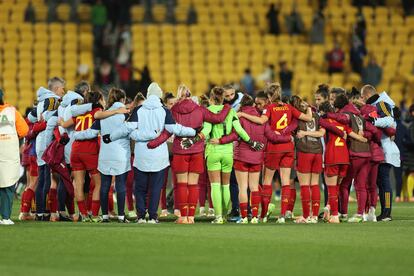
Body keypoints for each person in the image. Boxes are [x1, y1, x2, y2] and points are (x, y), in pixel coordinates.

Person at [107, 82, 196, 224]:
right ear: (160, 95)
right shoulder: (165, 111)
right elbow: (175, 129)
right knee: (156, 188)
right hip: (159, 156)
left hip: (141, 155)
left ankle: (141, 216)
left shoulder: (139, 110)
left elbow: (127, 128)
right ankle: (153, 216)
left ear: (148, 95)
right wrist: (193, 131)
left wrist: (111, 136)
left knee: (140, 188)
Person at [147, 85, 231, 223]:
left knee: (181, 185)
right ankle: (191, 216)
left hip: (180, 151)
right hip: (197, 151)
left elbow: (167, 132)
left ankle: (183, 216)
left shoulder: (173, 110)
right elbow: (218, 118)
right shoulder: (200, 109)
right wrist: (227, 107)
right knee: (193, 185)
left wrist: (152, 144)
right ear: (190, 95)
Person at [181, 87, 263, 224]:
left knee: (215, 185)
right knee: (226, 186)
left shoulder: (207, 111)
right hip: (227, 152)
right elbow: (239, 130)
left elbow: (206, 130)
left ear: (211, 98)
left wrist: (193, 140)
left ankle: (218, 217)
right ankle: (225, 215)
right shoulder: (231, 111)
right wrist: (251, 142)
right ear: (223, 98)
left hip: (213, 151)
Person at [237, 83, 313, 223]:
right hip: (288, 147)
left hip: (274, 147)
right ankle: (282, 216)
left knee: (267, 181)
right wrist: (308, 108)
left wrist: (243, 114)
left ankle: (263, 214)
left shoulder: (269, 108)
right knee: (285, 182)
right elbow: (308, 118)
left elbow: (261, 121)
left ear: (269, 96)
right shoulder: (289, 107)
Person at [218, 95, 291, 224]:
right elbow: (272, 136)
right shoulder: (261, 119)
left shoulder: (239, 117)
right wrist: (287, 139)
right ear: (253, 105)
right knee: (254, 187)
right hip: (257, 157)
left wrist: (220, 140)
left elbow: (235, 135)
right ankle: (255, 217)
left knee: (242, 188)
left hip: (241, 156)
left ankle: (245, 217)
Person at [73, 88, 131, 223]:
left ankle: (104, 216)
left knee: (105, 185)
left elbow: (91, 133)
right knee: (121, 185)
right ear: (123, 99)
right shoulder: (126, 114)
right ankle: (121, 216)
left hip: (105, 154)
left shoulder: (104, 115)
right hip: (121, 154)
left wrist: (76, 135)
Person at [362, 85, 400, 221]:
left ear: (366, 95)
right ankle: (384, 212)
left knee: (384, 180)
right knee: (379, 181)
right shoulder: (375, 105)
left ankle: (386, 213)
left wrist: (374, 121)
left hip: (386, 149)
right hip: (380, 149)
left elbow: (390, 120)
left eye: (362, 97)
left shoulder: (381, 103)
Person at [290, 96, 325, 223]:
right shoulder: (316, 115)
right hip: (317, 151)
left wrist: (304, 133)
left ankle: (305, 216)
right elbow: (321, 133)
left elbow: (291, 132)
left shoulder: (297, 116)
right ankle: (314, 216)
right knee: (314, 184)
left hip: (304, 151)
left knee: (305, 185)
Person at [0, 88, 29, 225]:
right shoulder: (12, 112)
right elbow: (24, 130)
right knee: (8, 183)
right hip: (8, 153)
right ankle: (5, 217)